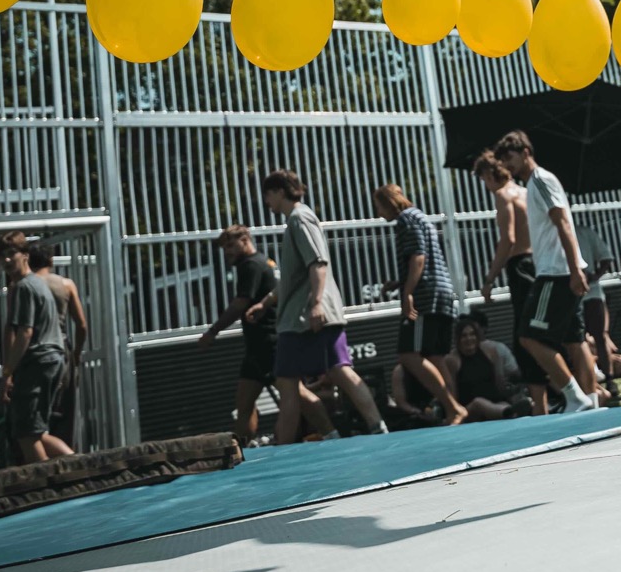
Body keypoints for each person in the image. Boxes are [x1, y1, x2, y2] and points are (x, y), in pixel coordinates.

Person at [256, 170, 389, 445]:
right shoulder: (295, 220)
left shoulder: (300, 217)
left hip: (310, 316)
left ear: (280, 191)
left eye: (268, 194)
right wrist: (266, 302)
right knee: (291, 381)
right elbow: (294, 277)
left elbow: (318, 263)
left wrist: (317, 304)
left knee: (333, 371)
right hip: (297, 318)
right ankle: (286, 447)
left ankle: (378, 427)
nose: (266, 201)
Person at [492, 130, 597, 414]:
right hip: (564, 270)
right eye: (503, 161)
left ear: (526, 152)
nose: (507, 166)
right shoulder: (537, 183)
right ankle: (592, 402)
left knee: (529, 337)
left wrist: (575, 269)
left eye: (510, 158)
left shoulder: (539, 181)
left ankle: (575, 398)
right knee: (575, 340)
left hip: (555, 273)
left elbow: (562, 222)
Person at [199, 224, 329, 446]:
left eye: (230, 245)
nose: (227, 252)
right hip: (257, 346)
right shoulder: (261, 262)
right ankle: (241, 448)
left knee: (298, 393)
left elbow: (241, 303)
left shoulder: (251, 265)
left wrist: (213, 331)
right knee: (244, 403)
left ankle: (331, 433)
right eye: (224, 248)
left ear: (245, 240)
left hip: (270, 343)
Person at [374, 184, 466, 426]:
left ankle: (452, 407)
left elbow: (418, 257)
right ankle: (453, 410)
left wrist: (408, 293)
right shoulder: (421, 217)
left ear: (388, 203)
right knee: (435, 356)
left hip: (427, 296)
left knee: (408, 354)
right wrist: (399, 282)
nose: (379, 213)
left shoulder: (406, 220)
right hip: (441, 292)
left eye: (379, 207)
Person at [475, 150, 547, 415]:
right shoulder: (525, 193)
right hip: (539, 263)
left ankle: (541, 405)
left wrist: (490, 278)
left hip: (520, 266)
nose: (485, 185)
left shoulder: (503, 196)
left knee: (525, 338)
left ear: (489, 174)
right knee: (540, 332)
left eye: (483, 178)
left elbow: (508, 240)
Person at [0, 235, 73, 465]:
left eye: (12, 253)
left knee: (26, 435)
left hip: (38, 361)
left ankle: (49, 488)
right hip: (52, 359)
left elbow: (25, 333)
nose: (7, 259)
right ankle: (81, 465)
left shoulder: (24, 287)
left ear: (26, 256)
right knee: (38, 432)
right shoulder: (37, 284)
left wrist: (8, 371)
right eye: (2, 255)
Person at [27, 242, 87, 449]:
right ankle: (68, 463)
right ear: (51, 260)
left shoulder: (25, 285)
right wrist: (76, 354)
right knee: (65, 413)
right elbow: (81, 325)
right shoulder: (66, 285)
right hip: (62, 350)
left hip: (33, 353)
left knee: (34, 418)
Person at [445, 316, 526, 421]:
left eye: (472, 334)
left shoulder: (490, 352)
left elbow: (499, 383)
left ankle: (509, 411)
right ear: (458, 339)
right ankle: (509, 412)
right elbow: (452, 393)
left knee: (502, 404)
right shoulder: (452, 360)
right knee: (478, 403)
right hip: (468, 408)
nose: (469, 339)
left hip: (493, 402)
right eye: (464, 336)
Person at [574, 218, 619, 404]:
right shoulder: (553, 233)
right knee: (578, 340)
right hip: (571, 294)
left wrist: (594, 276)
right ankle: (589, 380)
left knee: (600, 336)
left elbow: (606, 257)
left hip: (591, 293)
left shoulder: (585, 232)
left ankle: (609, 378)